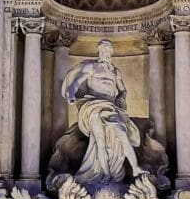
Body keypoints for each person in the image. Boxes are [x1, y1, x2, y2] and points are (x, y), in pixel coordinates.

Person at [61, 39, 143, 184]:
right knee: (100, 141)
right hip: (93, 105)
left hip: (111, 107)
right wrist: (71, 93)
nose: (106, 52)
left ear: (111, 52)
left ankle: (135, 167)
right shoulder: (91, 67)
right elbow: (77, 82)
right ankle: (105, 174)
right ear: (99, 51)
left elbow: (123, 90)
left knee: (122, 134)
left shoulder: (115, 71)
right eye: (103, 49)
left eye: (108, 49)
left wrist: (121, 98)